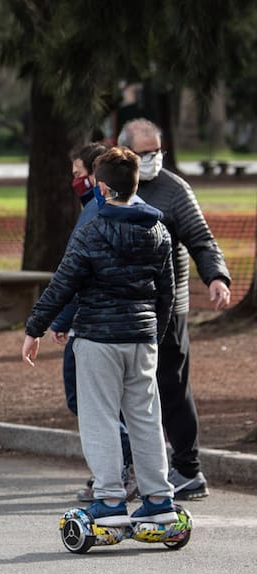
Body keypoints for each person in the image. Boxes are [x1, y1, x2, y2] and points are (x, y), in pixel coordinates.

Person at [22, 147, 177, 527]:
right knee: (145, 416)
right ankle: (158, 497)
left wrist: (34, 329)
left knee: (100, 418)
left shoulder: (92, 230)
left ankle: (109, 499)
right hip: (141, 339)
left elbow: (63, 283)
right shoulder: (159, 231)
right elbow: (166, 293)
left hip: (97, 337)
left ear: (102, 188)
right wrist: (153, 333)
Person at [118, 118, 232, 500]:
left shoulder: (173, 189)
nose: (152, 158)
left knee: (171, 385)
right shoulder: (110, 186)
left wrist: (216, 277)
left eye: (157, 151)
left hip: (168, 307)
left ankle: (187, 468)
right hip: (121, 309)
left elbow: (201, 239)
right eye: (143, 153)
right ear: (124, 153)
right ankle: (130, 467)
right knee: (124, 391)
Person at [52, 142, 137, 503]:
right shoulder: (118, 213)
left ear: (96, 178)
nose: (75, 182)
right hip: (124, 328)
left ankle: (123, 470)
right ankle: (122, 470)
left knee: (89, 403)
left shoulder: (97, 216)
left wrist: (58, 318)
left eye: (78, 175)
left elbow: (76, 275)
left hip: (93, 327)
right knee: (118, 406)